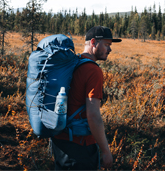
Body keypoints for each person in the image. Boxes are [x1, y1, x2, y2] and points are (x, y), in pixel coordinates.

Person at [51, 26, 121, 170]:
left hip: (60, 141)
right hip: (79, 147)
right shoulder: (93, 70)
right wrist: (106, 150)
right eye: (107, 45)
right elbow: (93, 115)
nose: (110, 50)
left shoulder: (74, 63)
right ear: (94, 42)